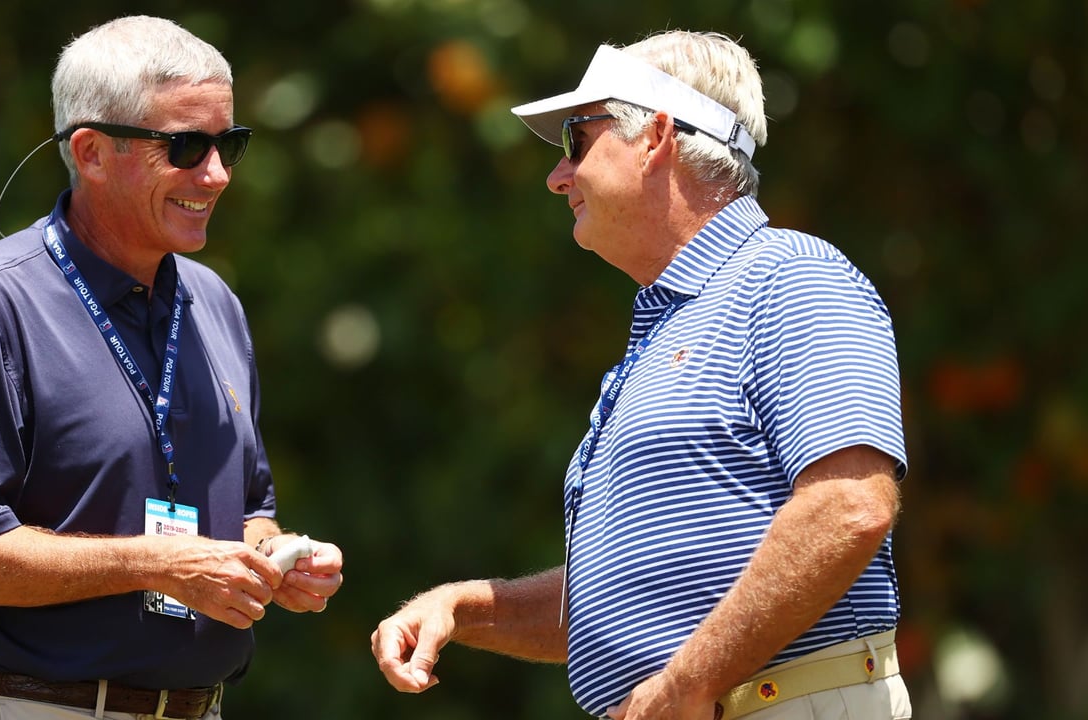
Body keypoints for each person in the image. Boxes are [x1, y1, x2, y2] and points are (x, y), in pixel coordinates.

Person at [372, 30, 911, 720]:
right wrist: (468, 609)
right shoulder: (671, 325)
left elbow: (848, 506)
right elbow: (629, 597)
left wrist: (687, 681)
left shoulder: (790, 274)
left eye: (576, 140)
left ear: (656, 136)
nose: (556, 176)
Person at [0, 16, 343, 720]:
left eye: (230, 144)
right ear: (92, 152)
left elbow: (250, 510)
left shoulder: (215, 304)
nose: (217, 173)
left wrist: (277, 555)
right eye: (188, 146)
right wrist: (159, 564)